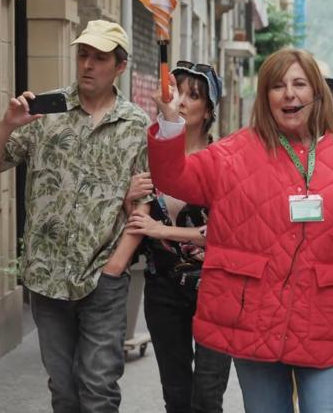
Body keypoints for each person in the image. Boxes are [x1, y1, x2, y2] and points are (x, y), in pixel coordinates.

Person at [146, 48, 333, 412]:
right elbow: (174, 177)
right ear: (265, 96)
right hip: (256, 322)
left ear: (317, 93)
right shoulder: (233, 153)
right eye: (278, 86)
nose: (290, 94)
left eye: (300, 84)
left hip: (326, 321)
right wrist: (170, 124)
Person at [0, 20, 151, 412]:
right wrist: (6, 125)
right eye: (83, 55)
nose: (87, 64)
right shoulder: (44, 111)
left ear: (119, 67)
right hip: (47, 275)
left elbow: (143, 204)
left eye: (99, 58)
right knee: (64, 389)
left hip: (103, 275)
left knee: (98, 387)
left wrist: (116, 267)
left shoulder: (136, 125)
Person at [124, 61, 231, 413]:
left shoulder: (224, 161)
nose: (182, 101)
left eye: (193, 95)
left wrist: (163, 230)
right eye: (177, 92)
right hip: (162, 287)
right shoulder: (151, 152)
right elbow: (138, 221)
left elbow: (225, 231)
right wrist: (129, 202)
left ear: (208, 110)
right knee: (176, 394)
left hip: (214, 286)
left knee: (207, 396)